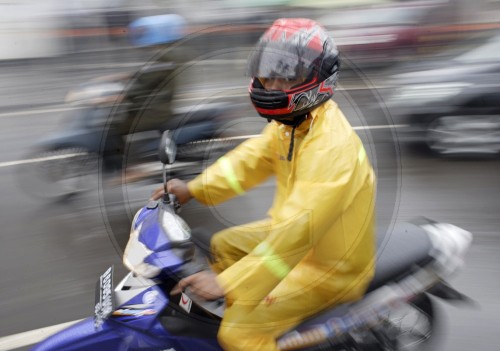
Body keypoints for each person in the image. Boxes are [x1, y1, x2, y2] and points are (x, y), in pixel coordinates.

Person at [151, 18, 376, 351]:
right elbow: (247, 162)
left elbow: (298, 230)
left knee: (237, 335)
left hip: (330, 268)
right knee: (224, 244)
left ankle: (252, 325)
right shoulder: (290, 126)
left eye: (285, 77)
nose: (270, 85)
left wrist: (226, 283)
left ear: (317, 80)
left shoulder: (331, 146)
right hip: (303, 242)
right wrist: (194, 189)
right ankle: (253, 307)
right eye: (267, 75)